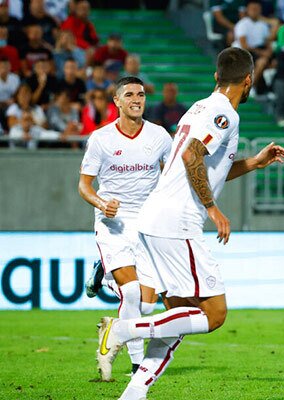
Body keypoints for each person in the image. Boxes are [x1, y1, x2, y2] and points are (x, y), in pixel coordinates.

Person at [94, 47, 284, 400]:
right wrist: (212, 208)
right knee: (213, 314)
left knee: (181, 317)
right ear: (249, 81)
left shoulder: (199, 107)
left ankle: (134, 393)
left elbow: (208, 168)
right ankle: (123, 329)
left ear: (217, 77)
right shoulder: (224, 114)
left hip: (156, 219)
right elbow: (190, 155)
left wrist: (255, 163)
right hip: (177, 223)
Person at [79, 76, 173, 380]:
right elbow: (84, 185)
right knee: (130, 293)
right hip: (113, 223)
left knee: (146, 305)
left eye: (141, 94)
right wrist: (100, 202)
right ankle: (137, 366)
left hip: (146, 224)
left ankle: (102, 276)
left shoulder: (159, 136)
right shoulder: (101, 138)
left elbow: (170, 176)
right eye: (130, 94)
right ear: (117, 101)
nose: (137, 99)